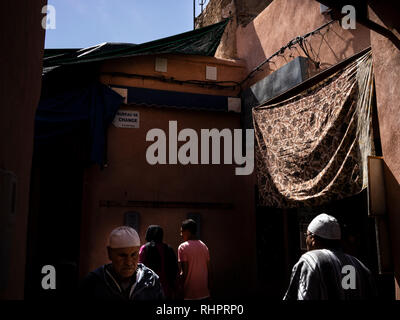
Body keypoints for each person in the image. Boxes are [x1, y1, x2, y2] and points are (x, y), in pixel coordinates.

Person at [283, 213, 376, 300]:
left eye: (306, 235)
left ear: (313, 239)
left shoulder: (309, 260)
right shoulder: (358, 264)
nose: (305, 239)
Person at [79, 226, 164, 300]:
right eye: (122, 256)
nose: (129, 262)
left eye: (133, 255)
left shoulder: (151, 280)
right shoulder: (94, 282)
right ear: (110, 253)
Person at [138, 225, 178, 300]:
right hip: (167, 288)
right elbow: (175, 269)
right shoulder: (169, 249)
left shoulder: (145, 248)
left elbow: (139, 268)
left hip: (149, 288)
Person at [177, 219, 211, 300]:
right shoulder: (204, 246)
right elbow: (209, 271)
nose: (180, 234)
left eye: (182, 231)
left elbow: (184, 272)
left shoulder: (182, 247)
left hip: (189, 294)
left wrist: (179, 289)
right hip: (205, 293)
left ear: (188, 231)